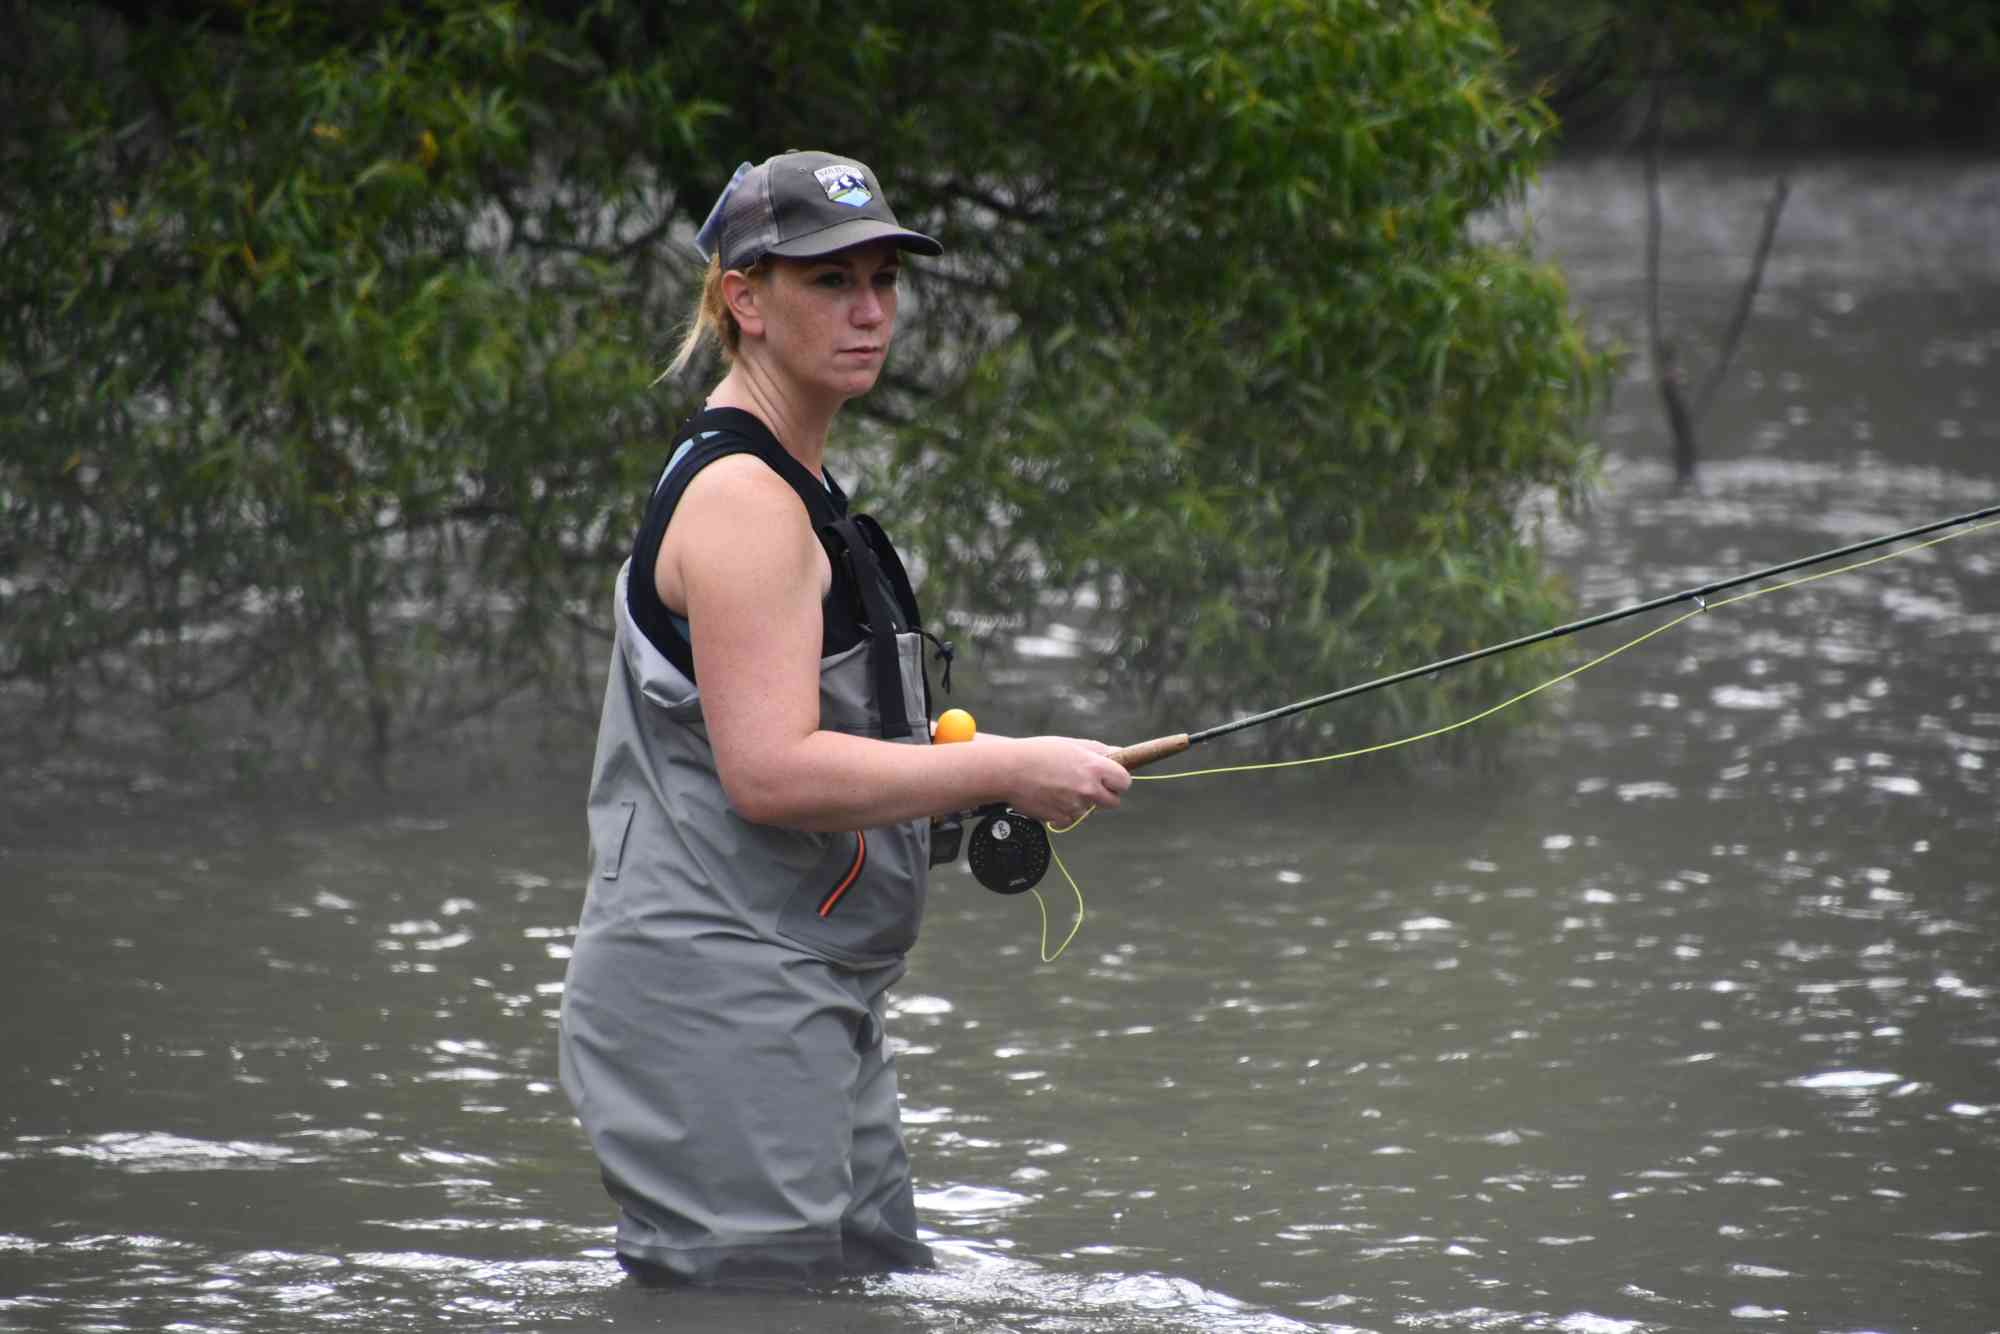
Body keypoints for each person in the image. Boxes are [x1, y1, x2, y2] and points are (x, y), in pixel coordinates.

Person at [557, 150, 1132, 1286]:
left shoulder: (794, 487)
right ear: (744, 298)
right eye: (830, 281)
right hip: (718, 999)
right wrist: (1002, 767)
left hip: (813, 985)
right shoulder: (742, 502)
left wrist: (984, 770)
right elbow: (769, 772)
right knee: (756, 1307)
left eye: (884, 279)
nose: (869, 311)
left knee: (873, 1288)